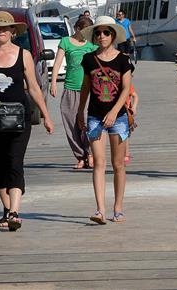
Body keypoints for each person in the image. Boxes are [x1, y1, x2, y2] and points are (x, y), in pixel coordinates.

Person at [0, 11, 54, 231]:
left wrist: (46, 116)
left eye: (5, 27)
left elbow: (33, 87)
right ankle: (7, 210)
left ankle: (14, 211)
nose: (1, 31)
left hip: (19, 118)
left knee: (14, 162)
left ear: (13, 31)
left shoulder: (23, 55)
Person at [77, 15, 133, 224]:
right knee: (98, 163)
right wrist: (79, 111)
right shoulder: (89, 59)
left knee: (118, 164)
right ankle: (100, 209)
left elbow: (126, 88)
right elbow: (85, 88)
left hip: (117, 117)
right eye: (98, 32)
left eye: (106, 32)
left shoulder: (123, 59)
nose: (102, 36)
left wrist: (114, 111)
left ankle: (117, 208)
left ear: (113, 35)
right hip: (94, 116)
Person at [50, 16, 99, 169]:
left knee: (87, 123)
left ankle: (90, 154)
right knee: (71, 124)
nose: (86, 34)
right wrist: (53, 83)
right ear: (77, 29)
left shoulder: (91, 45)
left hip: (88, 89)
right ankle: (80, 156)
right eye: (84, 31)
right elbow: (57, 63)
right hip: (70, 88)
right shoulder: (65, 41)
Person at [123, 82, 139, 166]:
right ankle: (122, 154)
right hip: (114, 112)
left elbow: (135, 96)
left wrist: (134, 107)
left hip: (126, 112)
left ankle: (126, 155)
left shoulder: (127, 84)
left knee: (125, 134)